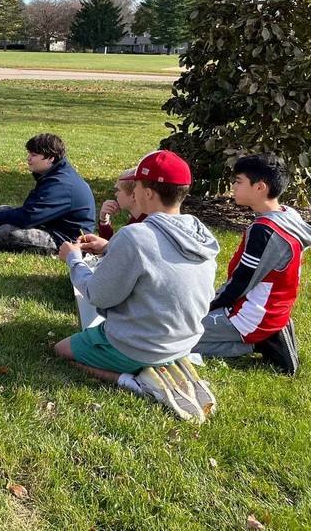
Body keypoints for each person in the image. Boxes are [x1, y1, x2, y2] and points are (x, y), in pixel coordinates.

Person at [56, 150, 220, 422]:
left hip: (138, 345)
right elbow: (161, 261)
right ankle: (162, 364)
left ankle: (132, 381)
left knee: (61, 351)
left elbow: (97, 295)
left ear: (148, 193)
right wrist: (110, 247)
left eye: (139, 186)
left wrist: (73, 259)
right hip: (184, 341)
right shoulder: (199, 232)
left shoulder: (135, 235)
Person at [191, 154, 311, 375]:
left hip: (249, 316)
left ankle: (263, 342)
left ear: (260, 187)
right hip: (275, 309)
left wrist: (203, 308)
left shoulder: (264, 231)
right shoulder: (289, 215)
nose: (233, 187)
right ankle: (266, 338)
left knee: (176, 335)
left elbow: (240, 284)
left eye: (238, 181)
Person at [0, 134, 95, 254]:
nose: (28, 158)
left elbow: (30, 216)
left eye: (34, 155)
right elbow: (31, 210)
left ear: (50, 158)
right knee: (2, 210)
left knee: (5, 232)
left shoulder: (62, 184)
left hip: (67, 241)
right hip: (50, 225)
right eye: (29, 153)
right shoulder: (55, 175)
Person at [97, 167, 147, 241]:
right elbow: (112, 245)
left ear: (133, 195)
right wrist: (104, 221)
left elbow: (112, 250)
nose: (116, 194)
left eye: (119, 190)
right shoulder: (137, 219)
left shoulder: (137, 229)